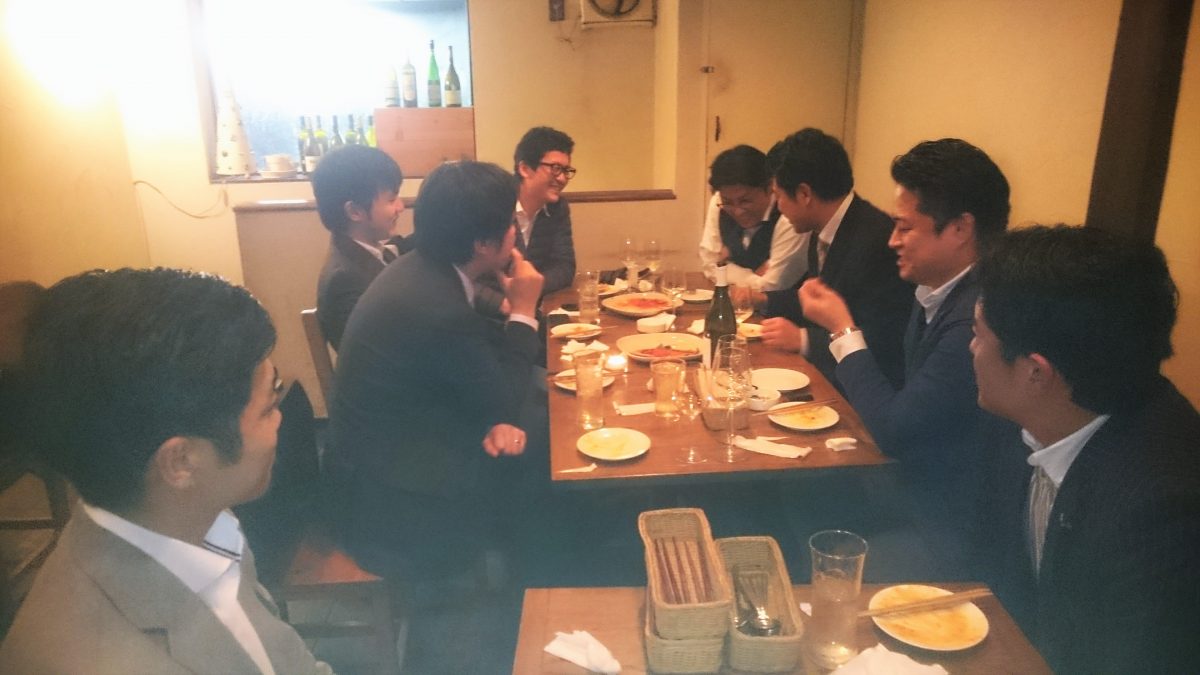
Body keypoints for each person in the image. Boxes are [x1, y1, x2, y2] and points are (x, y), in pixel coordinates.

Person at [0, 268, 329, 674]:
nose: (280, 420)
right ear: (181, 462)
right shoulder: (101, 660)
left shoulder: (187, 515)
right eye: (269, 406)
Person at [972, 225, 1200, 673]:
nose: (971, 348)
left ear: (1036, 373)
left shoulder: (1163, 511)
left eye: (977, 334)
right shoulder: (1028, 416)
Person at [329, 160, 544, 595]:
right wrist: (523, 310)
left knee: (534, 419)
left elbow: (479, 376)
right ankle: (526, 595)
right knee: (544, 452)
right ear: (482, 243)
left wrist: (498, 413)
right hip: (396, 504)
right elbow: (503, 399)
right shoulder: (436, 305)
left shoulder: (420, 267)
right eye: (509, 223)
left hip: (388, 456)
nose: (514, 232)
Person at [799, 138, 1011, 547]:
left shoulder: (977, 319)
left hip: (945, 517)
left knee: (800, 518)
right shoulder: (934, 289)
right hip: (910, 480)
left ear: (960, 229)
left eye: (905, 227)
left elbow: (895, 430)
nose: (892, 240)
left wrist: (842, 328)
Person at [760, 128, 912, 387]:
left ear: (804, 194)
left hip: (864, 389)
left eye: (779, 196)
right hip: (832, 375)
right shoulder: (823, 227)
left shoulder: (877, 239)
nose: (779, 207)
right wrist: (762, 299)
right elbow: (819, 298)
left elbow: (885, 337)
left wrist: (804, 339)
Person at [313, 144, 407, 350]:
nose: (401, 207)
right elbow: (377, 353)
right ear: (355, 211)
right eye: (391, 200)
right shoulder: (345, 280)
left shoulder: (374, 252)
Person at [698, 144, 807, 310]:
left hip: (784, 315)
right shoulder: (720, 203)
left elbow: (772, 287)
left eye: (745, 201)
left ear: (770, 188)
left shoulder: (789, 216)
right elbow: (709, 263)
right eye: (728, 202)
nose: (737, 211)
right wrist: (752, 276)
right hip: (739, 307)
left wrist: (726, 268)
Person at [513, 126, 577, 295]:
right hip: (492, 308)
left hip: (536, 303)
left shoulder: (557, 208)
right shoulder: (493, 204)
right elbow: (473, 276)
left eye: (566, 170)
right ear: (525, 169)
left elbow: (565, 267)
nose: (562, 178)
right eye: (555, 168)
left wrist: (531, 287)